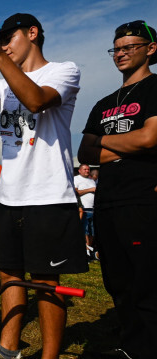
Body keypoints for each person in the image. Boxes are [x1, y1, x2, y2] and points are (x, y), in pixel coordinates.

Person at [0, 13, 88, 359]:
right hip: (8, 197)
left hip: (48, 196)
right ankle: (7, 349)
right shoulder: (1, 82)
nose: (3, 45)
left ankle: (49, 357)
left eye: (9, 38)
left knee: (46, 285)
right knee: (9, 277)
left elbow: (36, 100)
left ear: (32, 33)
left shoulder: (63, 70)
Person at [77, 20, 157, 359]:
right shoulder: (104, 102)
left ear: (151, 49)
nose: (121, 53)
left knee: (147, 281)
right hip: (108, 200)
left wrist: (104, 146)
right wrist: (131, 143)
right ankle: (130, 343)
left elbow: (150, 137)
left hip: (143, 199)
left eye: (130, 47)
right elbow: (84, 152)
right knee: (117, 280)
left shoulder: (155, 89)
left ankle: (147, 348)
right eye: (116, 48)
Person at [73, 164, 97, 261]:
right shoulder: (76, 179)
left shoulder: (92, 181)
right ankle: (85, 253)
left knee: (92, 232)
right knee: (85, 231)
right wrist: (90, 189)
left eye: (88, 169)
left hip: (93, 209)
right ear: (79, 170)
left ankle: (89, 251)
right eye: (85, 169)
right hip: (83, 209)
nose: (87, 171)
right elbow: (76, 192)